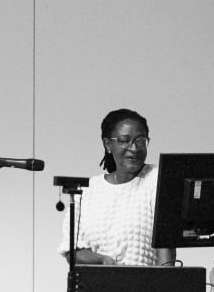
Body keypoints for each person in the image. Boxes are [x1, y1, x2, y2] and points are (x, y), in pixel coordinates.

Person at [59, 108, 175, 267]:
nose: (134, 148)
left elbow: (166, 246)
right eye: (124, 140)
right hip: (95, 287)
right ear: (108, 144)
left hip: (144, 287)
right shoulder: (88, 190)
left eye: (140, 140)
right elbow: (72, 250)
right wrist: (102, 260)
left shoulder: (156, 179)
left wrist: (168, 288)